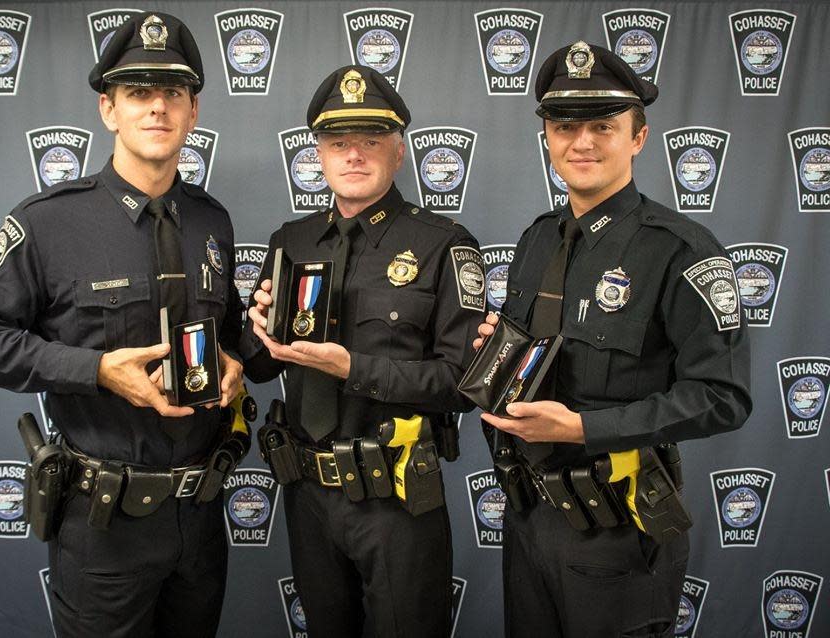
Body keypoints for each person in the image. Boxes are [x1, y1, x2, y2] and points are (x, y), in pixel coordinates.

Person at [0, 12, 245, 638]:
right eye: (138, 93)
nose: (157, 108)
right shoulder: (50, 223)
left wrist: (238, 362)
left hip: (201, 515)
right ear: (109, 109)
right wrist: (96, 371)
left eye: (173, 94)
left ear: (194, 112)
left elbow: (227, 331)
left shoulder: (211, 222)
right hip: (104, 525)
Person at [473, 41, 752, 638]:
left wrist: (582, 429)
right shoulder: (537, 240)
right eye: (566, 126)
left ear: (638, 138)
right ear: (547, 137)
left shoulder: (680, 250)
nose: (584, 142)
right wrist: (499, 353)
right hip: (529, 519)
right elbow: (538, 356)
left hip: (620, 531)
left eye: (605, 125)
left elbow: (722, 397)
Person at [243, 65, 484, 637]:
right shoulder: (290, 240)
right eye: (339, 142)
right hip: (308, 495)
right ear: (319, 155)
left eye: (371, 141)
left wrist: (353, 370)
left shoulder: (444, 243)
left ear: (398, 151)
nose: (354, 155)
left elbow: (461, 383)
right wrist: (254, 332)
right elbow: (257, 366)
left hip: (396, 499)